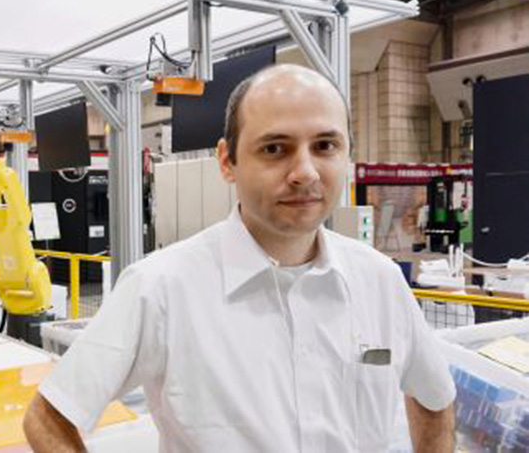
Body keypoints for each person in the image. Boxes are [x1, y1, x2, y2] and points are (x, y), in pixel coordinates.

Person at [23, 64, 455, 452]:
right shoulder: (160, 289)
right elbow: (47, 418)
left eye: (325, 145)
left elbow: (435, 398)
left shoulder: (379, 281)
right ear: (227, 161)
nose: (305, 172)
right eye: (275, 149)